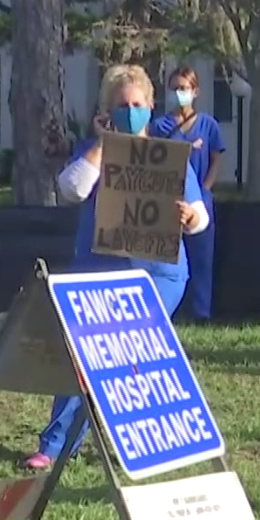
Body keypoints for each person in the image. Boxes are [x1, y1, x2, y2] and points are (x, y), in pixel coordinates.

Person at [21, 65, 210, 471]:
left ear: (151, 105)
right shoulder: (92, 152)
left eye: (137, 104)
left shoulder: (168, 158)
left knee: (136, 357)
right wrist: (104, 144)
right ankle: (55, 446)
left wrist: (188, 219)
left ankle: (152, 440)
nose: (131, 111)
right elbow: (71, 190)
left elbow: (200, 218)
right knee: (83, 358)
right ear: (107, 110)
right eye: (122, 105)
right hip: (96, 272)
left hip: (157, 274)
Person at [151, 66, 226, 323]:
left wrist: (205, 188)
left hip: (199, 199)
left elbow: (216, 159)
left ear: (195, 92)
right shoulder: (160, 126)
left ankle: (201, 312)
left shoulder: (208, 125)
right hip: (168, 198)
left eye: (183, 88)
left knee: (202, 257)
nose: (178, 94)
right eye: (174, 88)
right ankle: (171, 309)